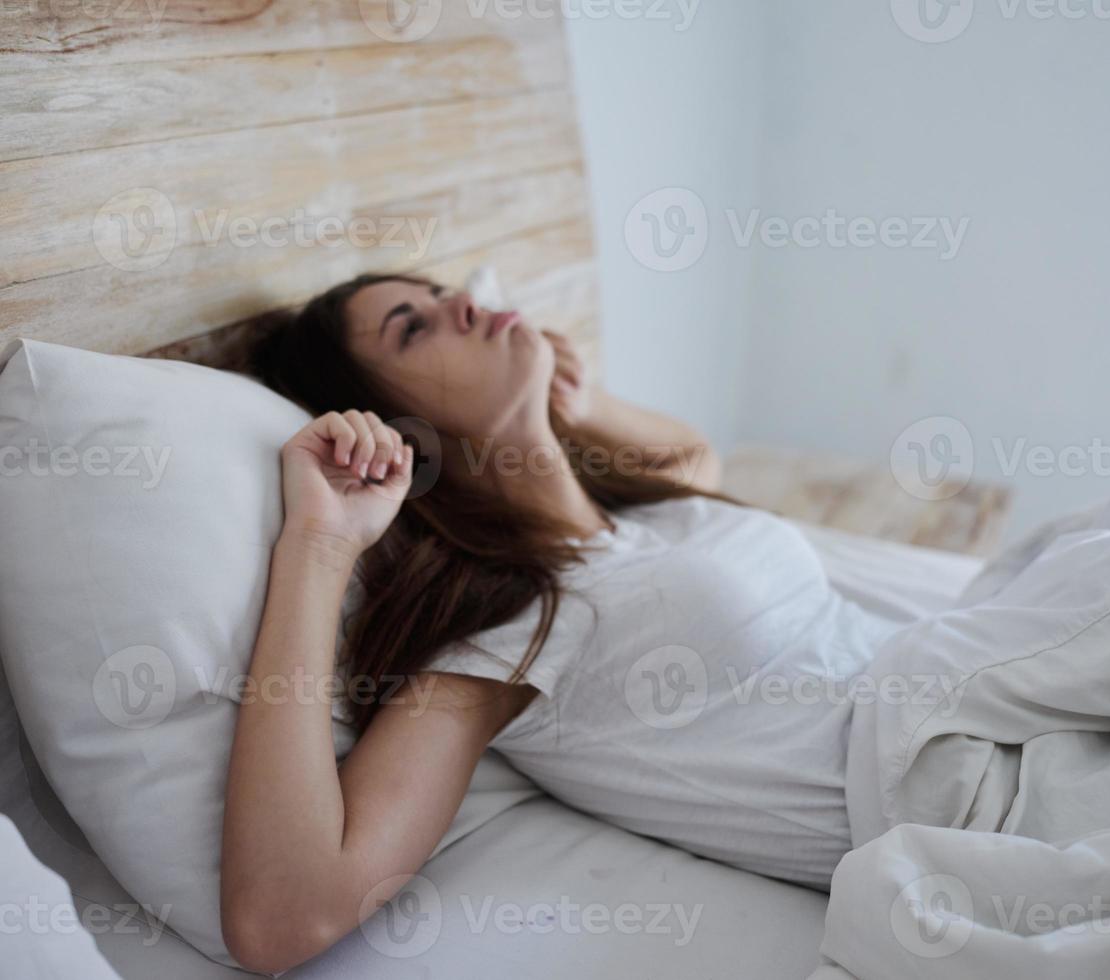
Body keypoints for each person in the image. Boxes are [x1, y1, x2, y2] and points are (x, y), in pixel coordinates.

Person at [221, 275, 904, 973]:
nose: (464, 301)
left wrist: (585, 404)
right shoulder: (510, 638)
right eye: (414, 327)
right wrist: (320, 545)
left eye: (440, 291)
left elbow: (690, 456)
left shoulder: (649, 512)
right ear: (404, 440)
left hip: (961, 687)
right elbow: (286, 914)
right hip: (941, 777)